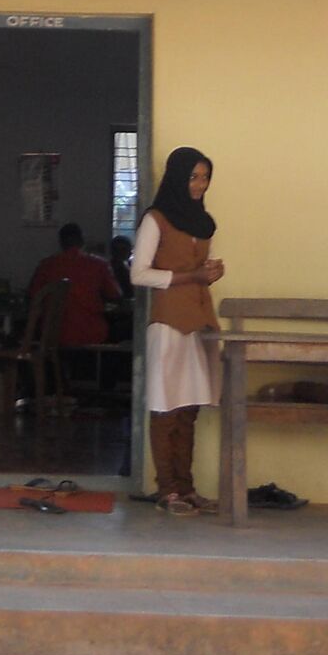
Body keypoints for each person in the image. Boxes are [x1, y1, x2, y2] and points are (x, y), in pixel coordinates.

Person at [129, 147, 225, 517]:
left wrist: (210, 273)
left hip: (198, 321)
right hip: (168, 323)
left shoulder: (203, 222)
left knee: (189, 409)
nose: (200, 184)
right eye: (193, 177)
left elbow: (198, 269)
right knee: (165, 407)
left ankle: (187, 488)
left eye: (205, 177)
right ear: (177, 178)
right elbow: (139, 274)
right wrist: (190, 276)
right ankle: (167, 490)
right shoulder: (156, 220)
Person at [28, 223, 122, 350]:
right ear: (82, 241)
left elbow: (33, 296)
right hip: (92, 333)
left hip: (53, 335)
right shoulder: (99, 265)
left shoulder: (46, 265)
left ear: (61, 242)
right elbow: (115, 295)